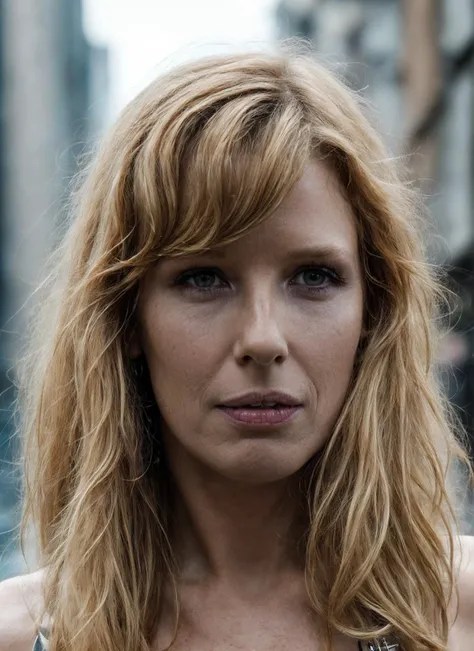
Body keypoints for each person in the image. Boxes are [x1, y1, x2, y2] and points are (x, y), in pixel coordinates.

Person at [0, 45, 473, 651]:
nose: (262, 338)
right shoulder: (32, 635)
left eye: (313, 277)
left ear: (371, 310)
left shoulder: (456, 614)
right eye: (204, 278)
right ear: (127, 319)